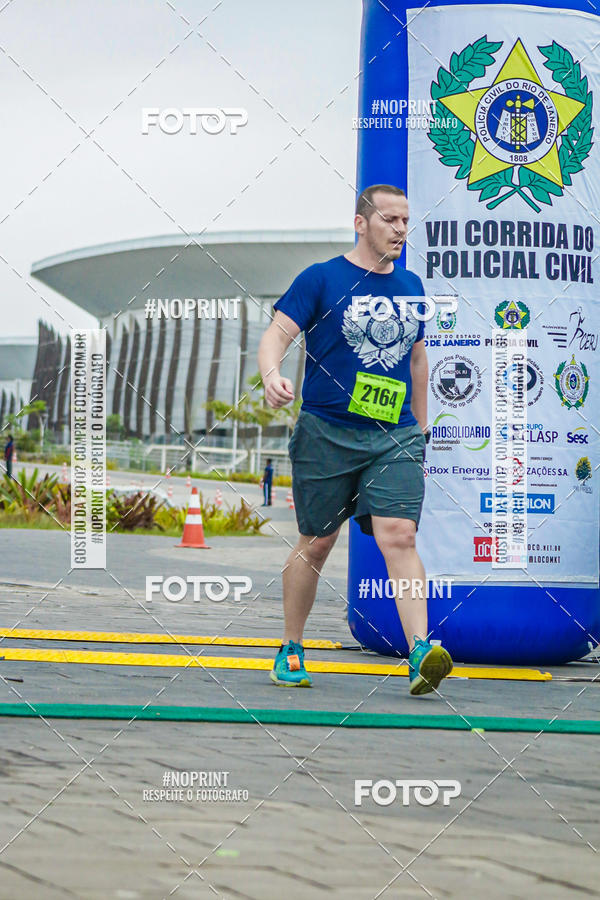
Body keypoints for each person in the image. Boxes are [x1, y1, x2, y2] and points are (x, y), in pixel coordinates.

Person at [258, 184, 453, 696]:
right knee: (318, 542)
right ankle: (291, 648)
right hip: (327, 431)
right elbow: (277, 333)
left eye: (406, 221)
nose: (401, 230)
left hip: (395, 436)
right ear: (361, 223)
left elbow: (416, 359)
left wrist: (422, 425)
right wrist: (271, 374)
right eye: (390, 220)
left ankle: (419, 653)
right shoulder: (322, 278)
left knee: (399, 535)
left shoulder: (411, 286)